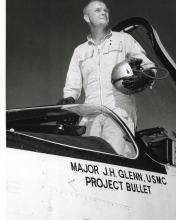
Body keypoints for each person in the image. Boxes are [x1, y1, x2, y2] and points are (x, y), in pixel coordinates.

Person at [57, 0, 155, 156]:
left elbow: (148, 66)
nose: (104, 12)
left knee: (118, 161)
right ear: (87, 18)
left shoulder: (124, 39)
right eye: (97, 10)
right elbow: (72, 84)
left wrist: (144, 76)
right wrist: (68, 100)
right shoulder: (80, 51)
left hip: (118, 112)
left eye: (106, 10)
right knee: (89, 161)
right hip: (90, 115)